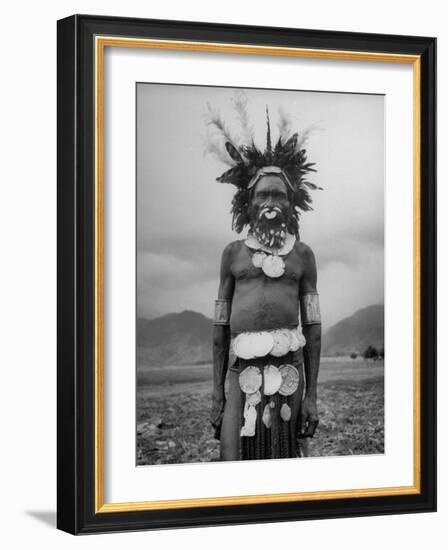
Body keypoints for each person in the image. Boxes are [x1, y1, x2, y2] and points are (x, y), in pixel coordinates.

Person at [208, 105, 322, 460]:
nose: (270, 202)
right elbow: (219, 329)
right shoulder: (232, 255)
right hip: (240, 375)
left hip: (290, 374)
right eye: (263, 195)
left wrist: (312, 396)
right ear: (249, 202)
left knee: (286, 465)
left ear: (292, 205)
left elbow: (314, 329)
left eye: (279, 196)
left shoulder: (303, 256)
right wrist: (217, 393)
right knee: (235, 464)